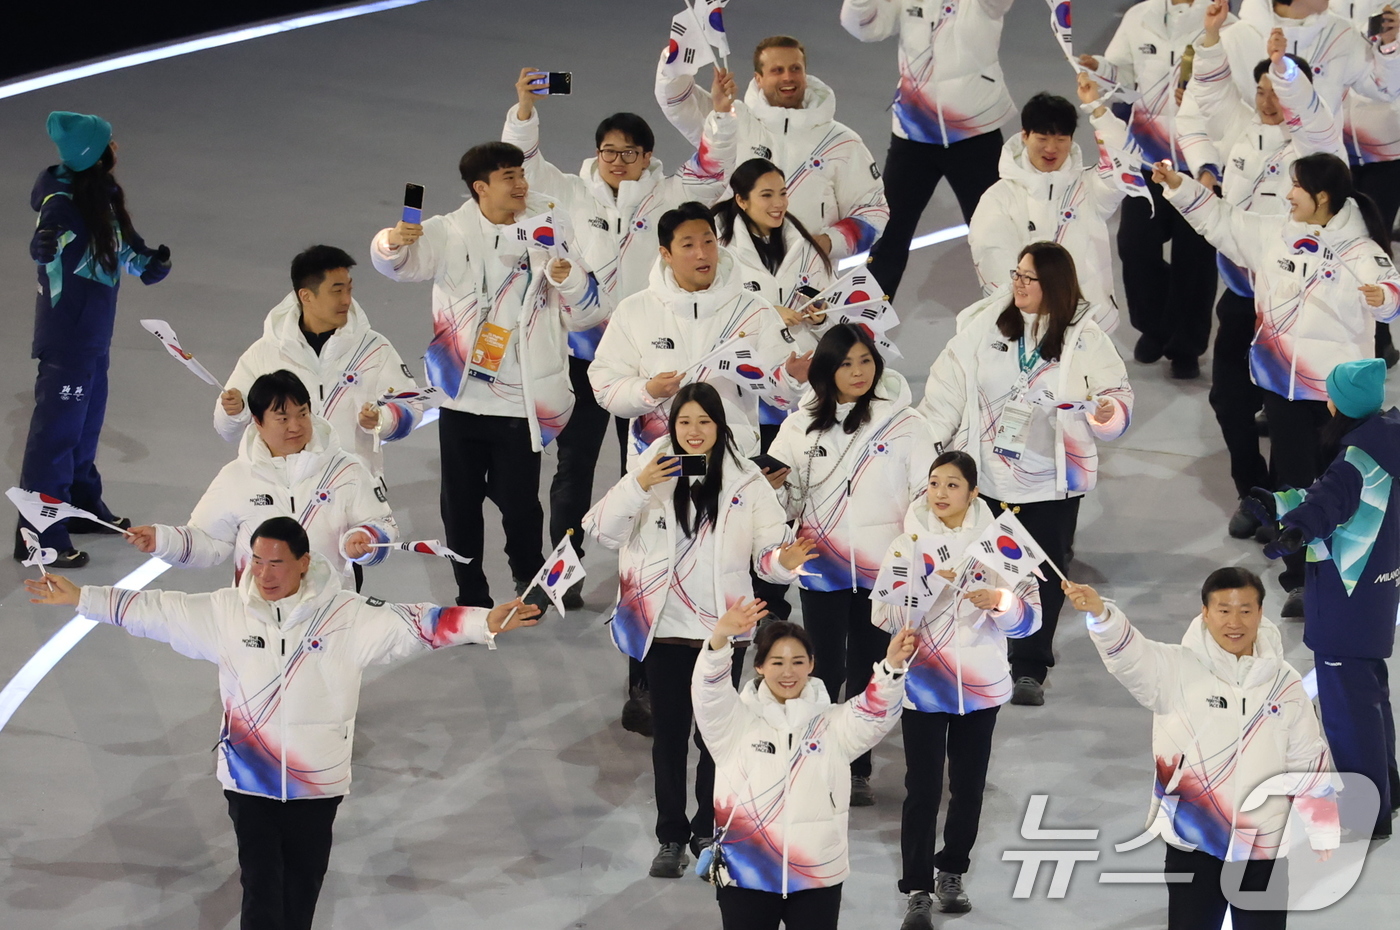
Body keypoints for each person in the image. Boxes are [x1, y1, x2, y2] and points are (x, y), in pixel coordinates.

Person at [25, 516, 540, 930]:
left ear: (304, 563)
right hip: (248, 780)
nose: (264, 574)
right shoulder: (226, 612)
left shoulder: (347, 615)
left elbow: (419, 623)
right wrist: (80, 598)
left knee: (302, 890)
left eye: (276, 563)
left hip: (318, 785)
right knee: (263, 891)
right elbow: (156, 610)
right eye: (256, 562)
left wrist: (484, 620)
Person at [582, 382, 817, 879]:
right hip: (664, 633)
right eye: (684, 422)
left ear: (719, 427)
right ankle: (670, 837)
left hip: (719, 635)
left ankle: (707, 828)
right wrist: (638, 485)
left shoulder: (746, 482)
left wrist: (784, 562)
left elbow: (769, 555)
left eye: (704, 423)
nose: (693, 432)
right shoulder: (649, 473)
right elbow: (601, 531)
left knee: (715, 741)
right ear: (672, 426)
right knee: (667, 738)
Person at [1154, 152, 1400, 615]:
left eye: (1297, 187)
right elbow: (1220, 220)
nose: (1287, 194)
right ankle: (1300, 580)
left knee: (1338, 485)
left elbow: (1391, 293)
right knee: (1292, 479)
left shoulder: (1359, 249)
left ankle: (1343, 571)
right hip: (1281, 386)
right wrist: (1178, 185)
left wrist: (1383, 298)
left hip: (1337, 396)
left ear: (1321, 196)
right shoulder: (1273, 234)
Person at [370, 141, 609, 609]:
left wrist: (569, 279)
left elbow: (588, 312)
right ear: (481, 188)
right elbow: (400, 265)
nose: (522, 184)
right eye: (508, 177)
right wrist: (392, 242)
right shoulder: (449, 232)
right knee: (459, 510)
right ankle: (471, 595)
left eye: (521, 174)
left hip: (521, 400)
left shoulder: (550, 226)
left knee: (521, 506)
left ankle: (527, 577)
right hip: (461, 398)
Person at [918, 242, 1134, 706]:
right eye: (1016, 273)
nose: (1016, 283)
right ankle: (984, 656)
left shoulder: (1087, 339)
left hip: (1050, 486)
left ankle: (1031, 668)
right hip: (987, 479)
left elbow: (1118, 402)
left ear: (1053, 286)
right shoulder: (982, 328)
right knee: (984, 569)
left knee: (1042, 576)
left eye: (1028, 278)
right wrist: (928, 453)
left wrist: (1104, 411)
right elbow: (945, 394)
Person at [1072, 567, 1339, 930]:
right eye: (1224, 610)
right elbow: (1130, 656)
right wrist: (1102, 616)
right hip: (1193, 838)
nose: (1235, 622)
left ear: (1261, 613)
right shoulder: (1174, 669)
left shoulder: (1285, 683)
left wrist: (1321, 822)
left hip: (1264, 842)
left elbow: (1307, 755)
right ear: (1205, 612)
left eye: (1245, 610)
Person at [1176, 5, 1348, 539]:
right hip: (1240, 294)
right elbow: (1205, 94)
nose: (1268, 101)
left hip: (1296, 308)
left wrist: (1285, 70)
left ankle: (1289, 503)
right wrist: (1209, 37)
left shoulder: (1317, 147)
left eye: (1278, 91)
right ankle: (1254, 492)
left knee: (1297, 419)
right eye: (1263, 91)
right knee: (1229, 400)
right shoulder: (1242, 130)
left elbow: (1308, 111)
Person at [767, 324, 936, 805]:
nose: (858, 372)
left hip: (885, 573)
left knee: (869, 667)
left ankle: (856, 766)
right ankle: (814, 754)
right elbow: (782, 501)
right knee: (821, 666)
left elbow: (928, 496)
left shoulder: (906, 425)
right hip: (822, 569)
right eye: (845, 363)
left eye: (865, 361)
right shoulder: (798, 427)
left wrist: (915, 552)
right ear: (827, 369)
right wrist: (777, 487)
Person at [870, 451, 1041, 925]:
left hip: (981, 688)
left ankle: (953, 871)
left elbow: (1031, 622)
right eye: (934, 483)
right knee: (922, 789)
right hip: (924, 685)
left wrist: (1000, 603)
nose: (940, 493)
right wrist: (923, 592)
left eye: (952, 485)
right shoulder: (906, 545)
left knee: (968, 788)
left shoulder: (1004, 544)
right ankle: (918, 888)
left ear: (973, 492)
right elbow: (880, 614)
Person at [1247, 358, 1400, 839]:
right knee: (1371, 695)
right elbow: (1331, 499)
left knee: (1347, 713)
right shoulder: (1385, 444)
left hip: (1343, 598)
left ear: (1338, 403)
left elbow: (1328, 506)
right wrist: (1281, 503)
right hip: (1376, 595)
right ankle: (1387, 791)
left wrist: (1289, 535)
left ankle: (1365, 811)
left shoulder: (1355, 462)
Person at [693, 607, 917, 930]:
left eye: (798, 662)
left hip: (817, 876)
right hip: (746, 874)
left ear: (811, 665)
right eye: (777, 663)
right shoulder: (733, 723)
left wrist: (892, 667)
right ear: (759, 666)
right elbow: (708, 695)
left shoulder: (833, 725)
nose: (789, 673)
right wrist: (718, 641)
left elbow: (875, 713)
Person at [15, 111, 171, 568]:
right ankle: (37, 533)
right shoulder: (62, 202)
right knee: (55, 438)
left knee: (84, 430)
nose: (116, 147)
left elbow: (125, 247)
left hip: (92, 336)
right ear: (97, 154)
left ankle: (79, 506)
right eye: (110, 142)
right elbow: (46, 236)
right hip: (68, 338)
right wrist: (42, 245)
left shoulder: (100, 196)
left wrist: (150, 264)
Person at [1220, 0, 1400, 360]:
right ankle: (1262, 385)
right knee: (1269, 279)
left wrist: (1389, 46)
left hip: (1337, 165)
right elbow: (1226, 98)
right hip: (1265, 173)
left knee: (1345, 260)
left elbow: (1384, 87)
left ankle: (1368, 343)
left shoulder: (1341, 32)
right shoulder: (1247, 29)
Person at [125, 370, 397, 589]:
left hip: (327, 619)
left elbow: (382, 524)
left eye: (302, 413)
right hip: (256, 621)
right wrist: (162, 541)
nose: (296, 426)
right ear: (257, 421)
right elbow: (208, 541)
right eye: (282, 418)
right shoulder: (237, 478)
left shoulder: (346, 470)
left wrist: (366, 538)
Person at [589, 201, 811, 466]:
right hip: (657, 462)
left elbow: (780, 397)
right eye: (688, 245)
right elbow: (604, 386)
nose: (702, 254)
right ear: (666, 253)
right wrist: (647, 390)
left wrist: (791, 377)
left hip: (732, 461)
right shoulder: (634, 310)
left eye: (708, 242)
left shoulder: (754, 310)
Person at [1077, 0, 1222, 379]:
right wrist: (1100, 69)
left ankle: (1186, 347)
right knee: (1135, 246)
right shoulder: (1139, 16)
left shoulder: (1222, 22)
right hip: (1147, 159)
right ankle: (1156, 327)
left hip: (1198, 164)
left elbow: (1233, 85)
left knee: (1195, 260)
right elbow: (1123, 78)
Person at [654, 34, 888, 263]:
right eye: (777, 70)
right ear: (758, 78)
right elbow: (677, 100)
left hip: (807, 282)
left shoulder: (841, 143)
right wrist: (681, 49)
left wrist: (827, 243)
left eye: (795, 69)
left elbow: (872, 210)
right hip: (736, 278)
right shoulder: (731, 120)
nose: (788, 77)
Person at [839, 0, 1016, 298]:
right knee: (888, 239)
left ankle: (1011, 325)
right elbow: (864, 27)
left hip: (975, 135)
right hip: (914, 135)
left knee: (995, 240)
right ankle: (865, 333)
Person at [214, 245, 424, 481]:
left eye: (349, 289)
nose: (346, 300)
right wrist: (235, 412)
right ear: (306, 296)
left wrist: (382, 420)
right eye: (336, 291)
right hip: (285, 492)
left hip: (352, 489)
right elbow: (227, 431)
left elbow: (412, 406)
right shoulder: (265, 353)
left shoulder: (373, 349)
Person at [968, 74, 1130, 334]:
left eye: (1061, 139)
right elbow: (993, 261)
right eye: (1042, 139)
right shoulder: (998, 198)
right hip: (1026, 331)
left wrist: (1097, 108)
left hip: (1089, 328)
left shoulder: (1089, 188)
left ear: (1072, 140)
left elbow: (1124, 165)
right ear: (1024, 136)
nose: (1051, 149)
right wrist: (1032, 318)